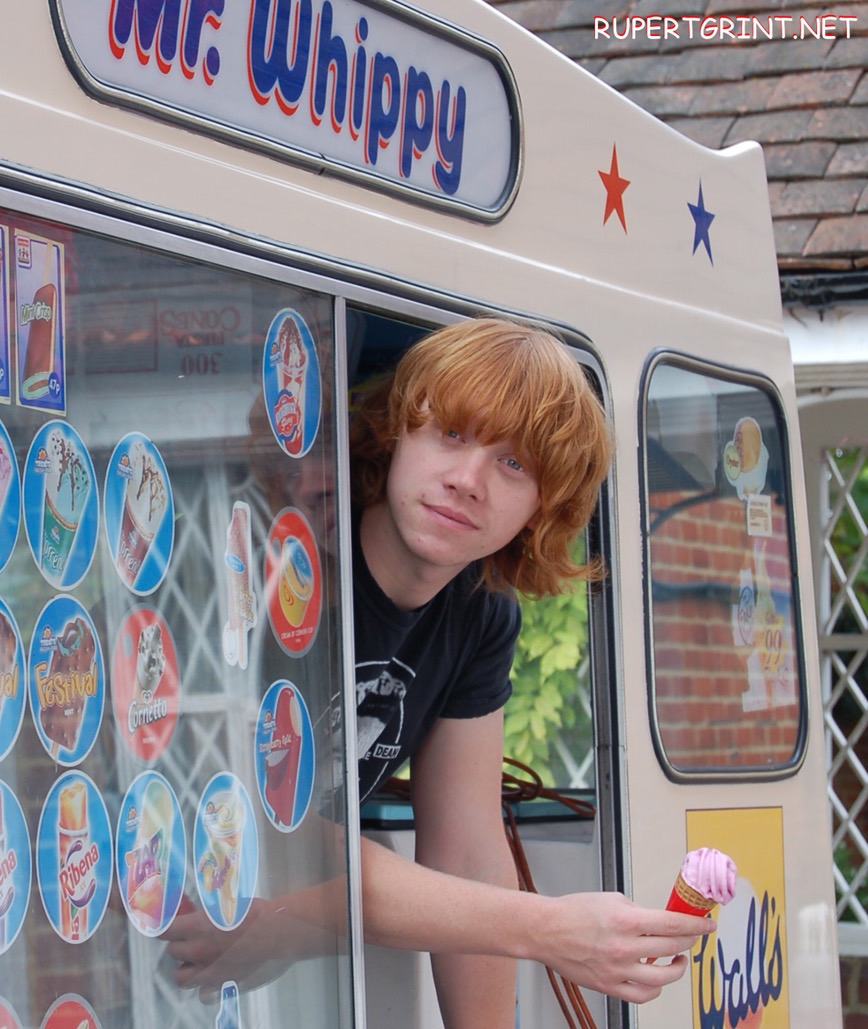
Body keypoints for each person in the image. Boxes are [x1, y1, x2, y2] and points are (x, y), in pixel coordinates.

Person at [163, 318, 714, 1026]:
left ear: (541, 509)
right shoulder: (285, 578)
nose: (467, 480)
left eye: (513, 464)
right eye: (451, 433)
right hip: (124, 910)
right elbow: (284, 832)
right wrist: (548, 927)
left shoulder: (481, 613)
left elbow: (468, 849)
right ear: (396, 432)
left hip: (237, 947)